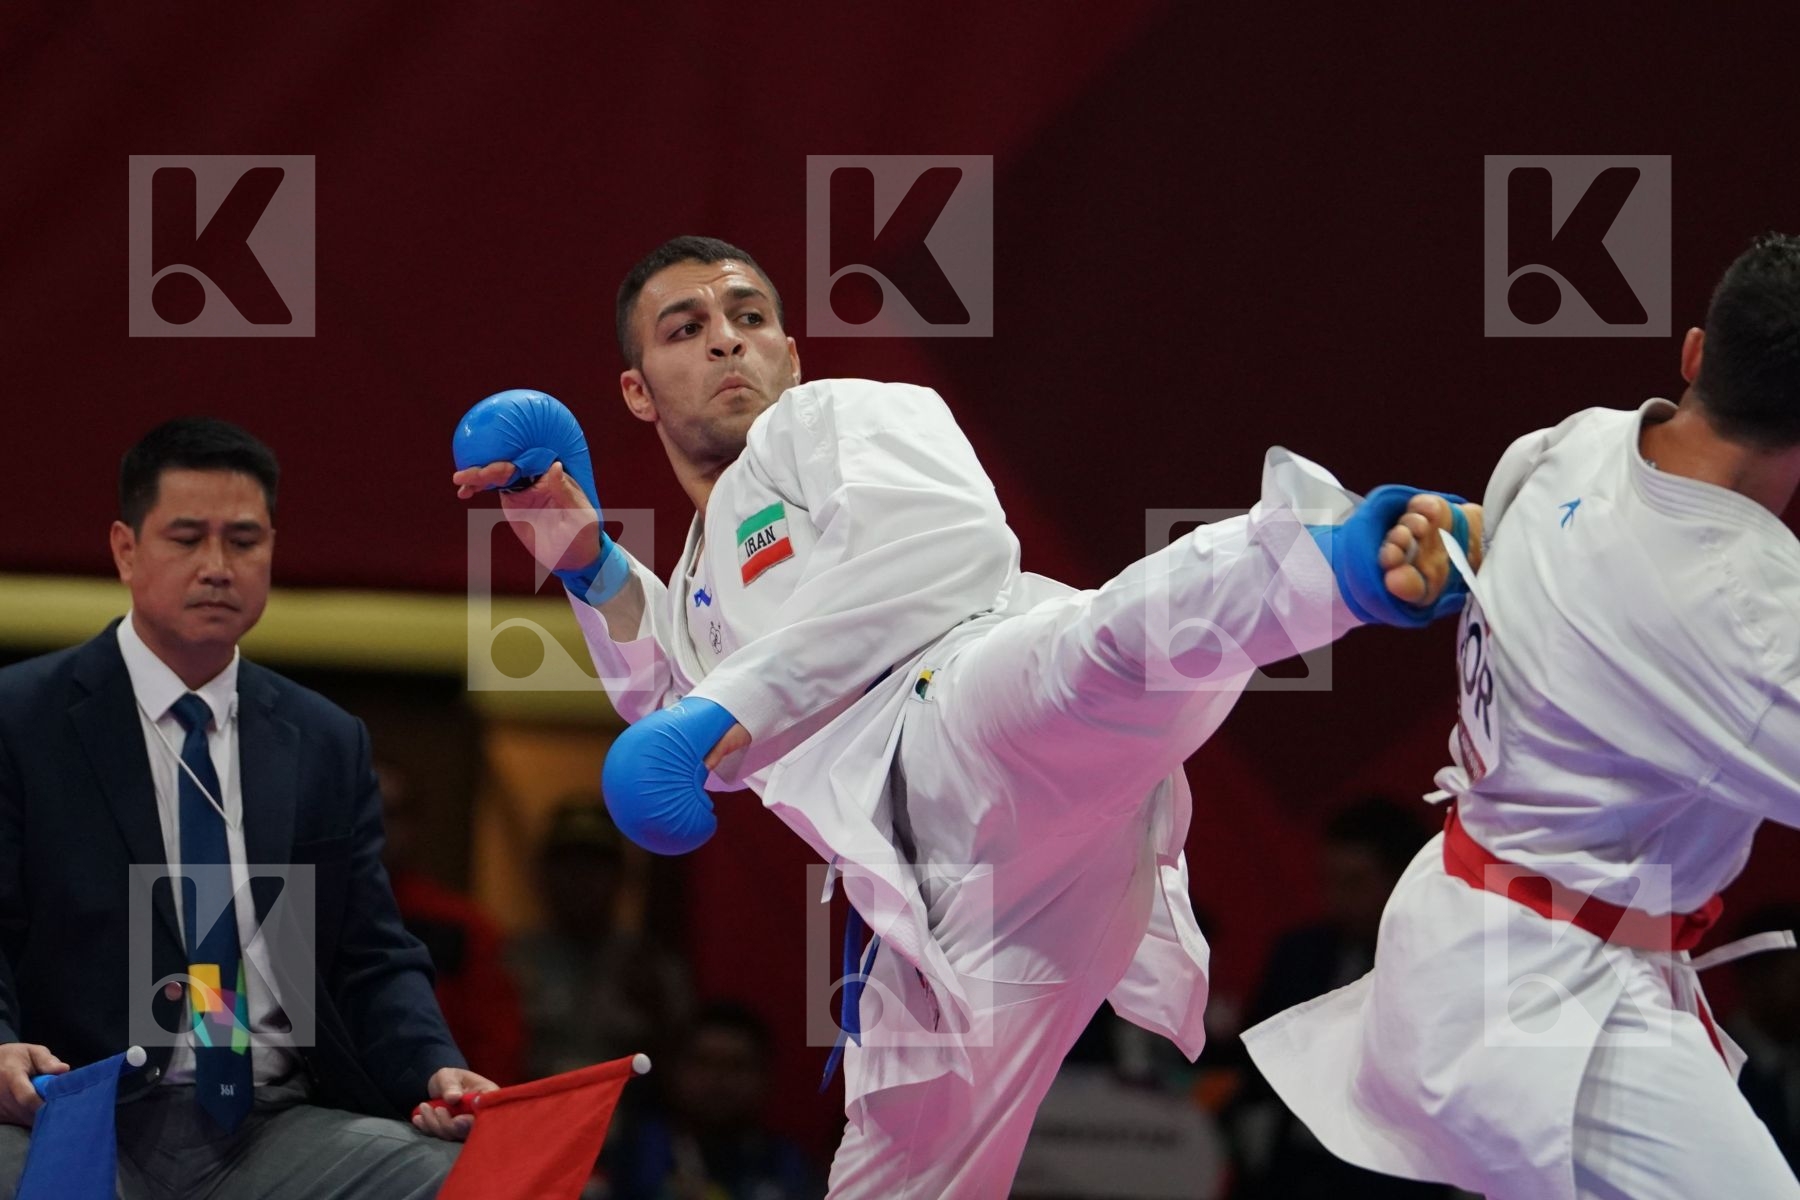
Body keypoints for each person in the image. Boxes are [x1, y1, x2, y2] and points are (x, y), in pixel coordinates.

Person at [450, 235, 1480, 1197]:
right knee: (902, 1170)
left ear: (792, 353)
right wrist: (575, 548)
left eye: (751, 316)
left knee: (1105, 652)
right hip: (946, 903)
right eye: (685, 328)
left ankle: (1347, 558)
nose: (727, 336)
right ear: (636, 390)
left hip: (967, 706)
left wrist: (717, 712)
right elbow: (679, 716)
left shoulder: (833, 419)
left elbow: (944, 552)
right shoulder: (699, 585)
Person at [1243, 233, 1800, 1200]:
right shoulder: (1757, 621)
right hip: (1548, 998)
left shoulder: (1570, 444)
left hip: (1468, 931)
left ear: (1698, 353)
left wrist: (1453, 537)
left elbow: (1532, 563)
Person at [0, 418, 495, 1199]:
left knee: (463, 1175)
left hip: (268, 1123)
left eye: (243, 540)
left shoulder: (324, 740)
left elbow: (370, 953)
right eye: (187, 538)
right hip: (76, 1109)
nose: (217, 567)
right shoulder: (22, 718)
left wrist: (435, 1067)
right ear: (125, 549)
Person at [602, 1002, 825, 1200]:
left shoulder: (789, 1167)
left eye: (736, 1065)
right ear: (673, 1070)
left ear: (765, 1076)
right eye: (703, 1062)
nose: (718, 1079)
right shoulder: (632, 1155)